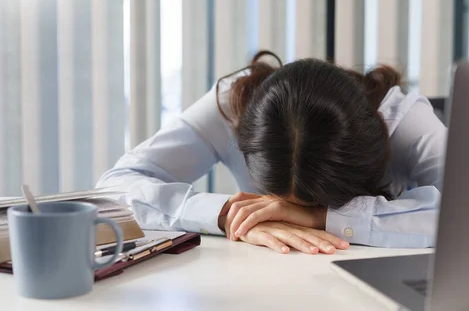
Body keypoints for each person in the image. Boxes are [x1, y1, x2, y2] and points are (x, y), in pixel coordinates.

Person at [97, 51, 446, 254]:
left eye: (300, 208)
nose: (286, 214)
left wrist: (326, 218)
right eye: (282, 202)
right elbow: (113, 189)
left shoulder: (403, 119)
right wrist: (228, 214)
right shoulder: (232, 106)